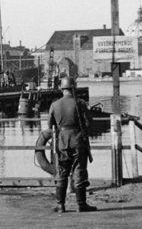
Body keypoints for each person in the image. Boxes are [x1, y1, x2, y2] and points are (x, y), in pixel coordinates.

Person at [48, 77, 97, 213]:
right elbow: (88, 124)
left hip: (62, 142)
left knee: (62, 173)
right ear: (73, 88)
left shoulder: (54, 105)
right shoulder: (80, 103)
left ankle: (60, 205)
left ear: (62, 89)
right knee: (79, 172)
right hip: (78, 141)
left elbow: (50, 124)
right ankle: (81, 205)